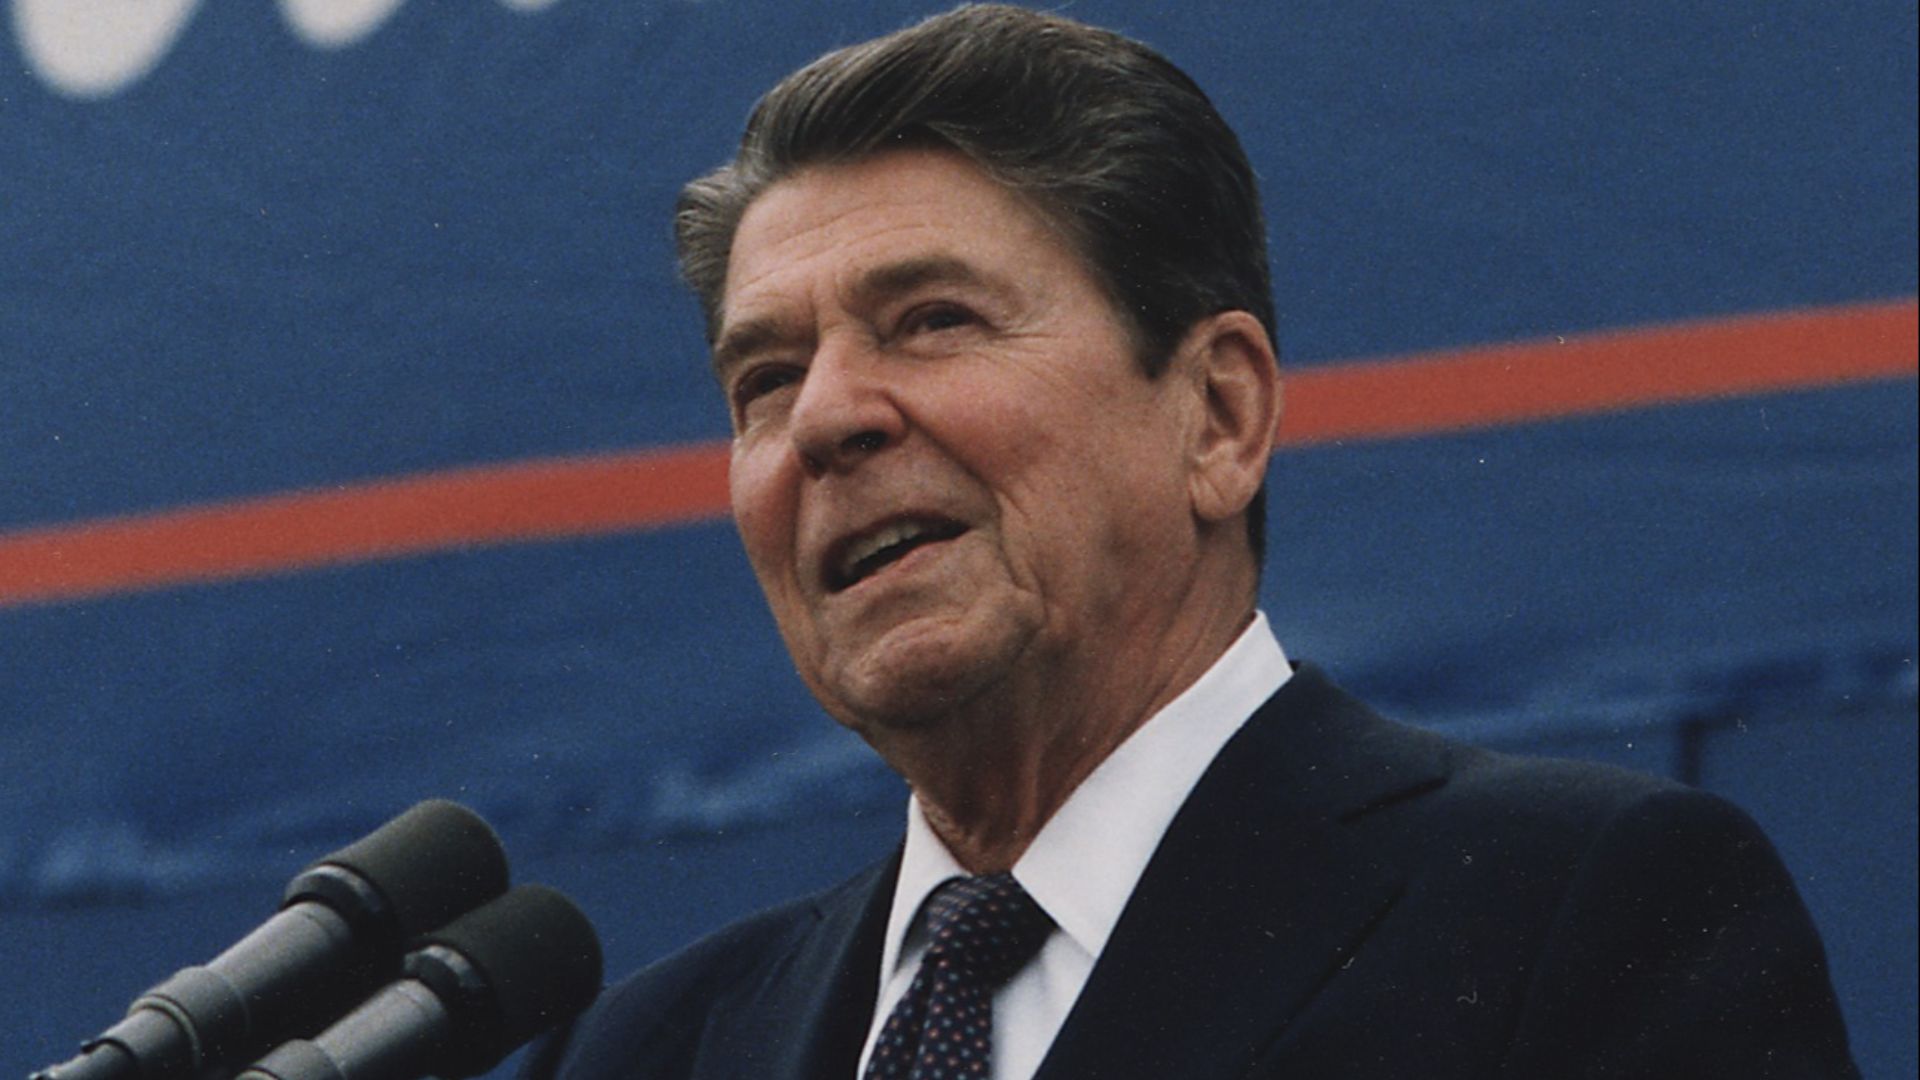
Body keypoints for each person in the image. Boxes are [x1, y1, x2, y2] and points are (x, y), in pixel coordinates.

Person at [522, 5, 1859, 1077]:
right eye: (763, 380)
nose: (823, 420)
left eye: (931, 319)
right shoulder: (650, 1048)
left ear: (1219, 415)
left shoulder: (1567, 915)